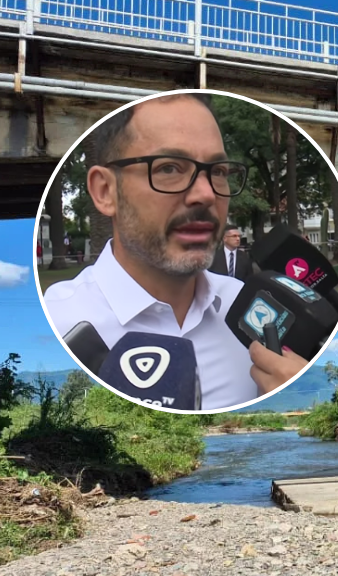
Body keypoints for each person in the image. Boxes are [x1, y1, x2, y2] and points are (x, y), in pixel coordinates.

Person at [42, 92, 311, 410]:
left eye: (219, 171)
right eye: (169, 168)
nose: (206, 194)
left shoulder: (252, 309)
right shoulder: (57, 322)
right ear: (105, 191)